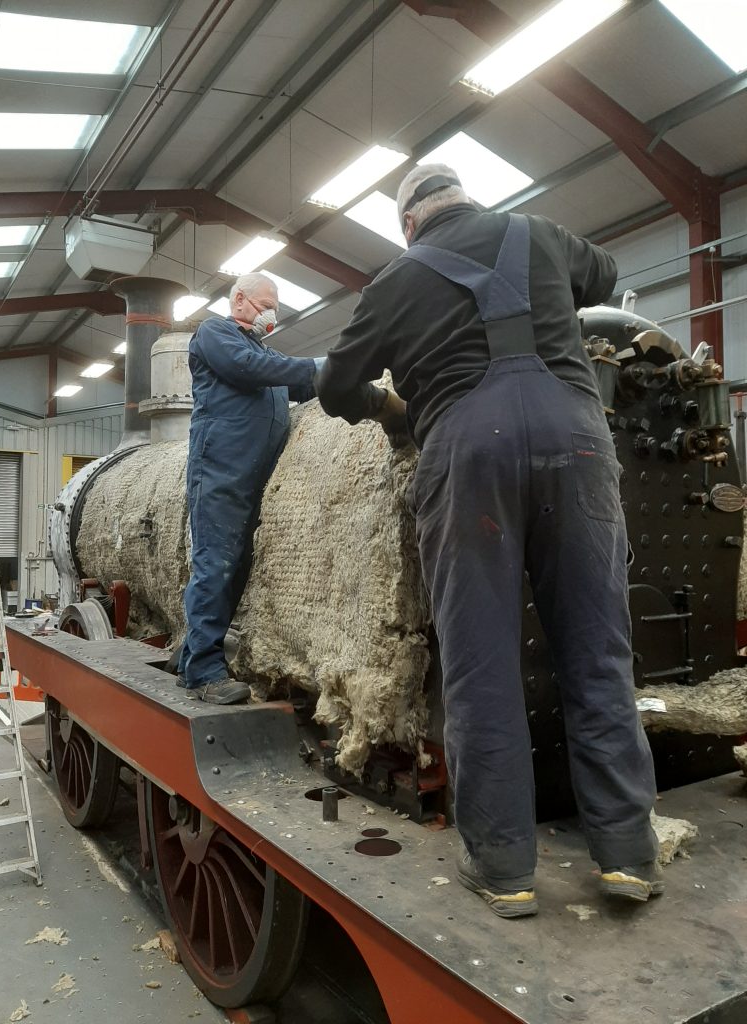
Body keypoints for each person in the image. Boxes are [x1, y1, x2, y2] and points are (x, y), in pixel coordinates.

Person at [316, 164, 661, 918]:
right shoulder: (539, 234)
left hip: (467, 456)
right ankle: (628, 856)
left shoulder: (393, 281)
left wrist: (390, 406)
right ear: (468, 199)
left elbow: (334, 387)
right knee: (600, 653)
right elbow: (604, 274)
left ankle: (506, 871)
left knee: (482, 665)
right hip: (578, 444)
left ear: (409, 223)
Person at [178, 273, 322, 704]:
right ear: (239, 299)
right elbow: (248, 369)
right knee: (216, 565)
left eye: (276, 308)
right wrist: (318, 364)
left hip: (254, 478)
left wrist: (346, 371)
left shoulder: (265, 353)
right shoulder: (216, 334)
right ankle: (202, 672)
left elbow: (301, 383)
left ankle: (197, 652)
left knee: (236, 569)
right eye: (265, 305)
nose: (271, 315)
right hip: (220, 471)